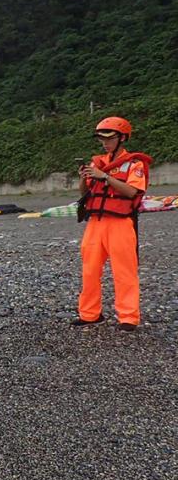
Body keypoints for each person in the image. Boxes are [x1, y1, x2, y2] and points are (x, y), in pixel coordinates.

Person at [73, 116, 153, 331]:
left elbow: (132, 191)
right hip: (95, 223)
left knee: (124, 271)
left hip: (120, 223)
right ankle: (90, 314)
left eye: (110, 138)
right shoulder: (97, 162)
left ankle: (128, 317)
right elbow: (85, 193)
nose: (105, 142)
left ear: (122, 138)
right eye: (101, 138)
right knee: (89, 271)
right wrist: (84, 177)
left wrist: (105, 177)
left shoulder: (135, 164)